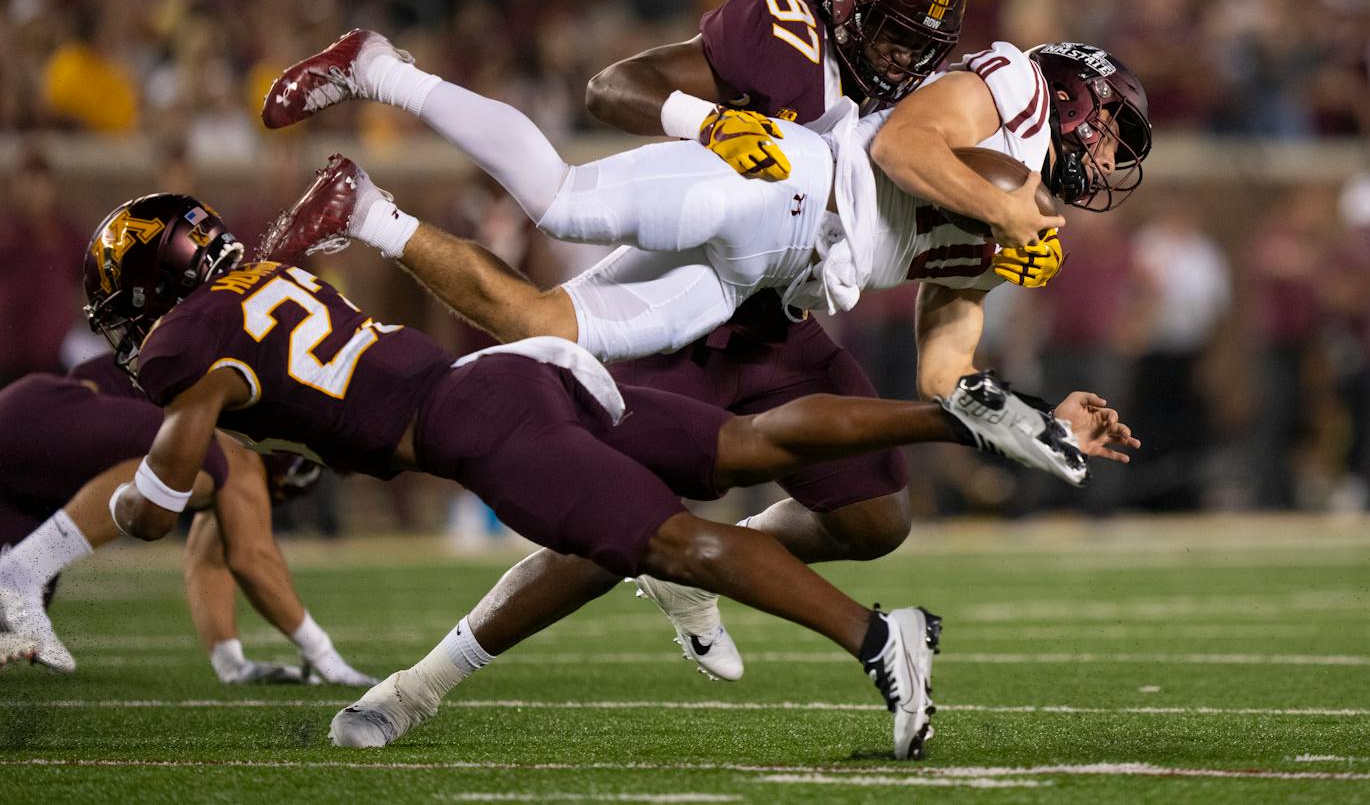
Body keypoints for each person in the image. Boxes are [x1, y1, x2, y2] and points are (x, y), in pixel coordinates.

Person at [88, 193, 1134, 758]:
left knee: (675, 539)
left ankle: (877, 635)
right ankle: (967, 420)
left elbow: (189, 430)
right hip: (518, 375)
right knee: (747, 448)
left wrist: (149, 498)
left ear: (152, 291)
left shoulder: (186, 346)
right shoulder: (271, 277)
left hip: (472, 420)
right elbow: (306, 396)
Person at [258, 19, 1149, 675]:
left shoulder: (1026, 229)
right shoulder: (1015, 89)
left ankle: (362, 209)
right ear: (1072, 97)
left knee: (540, 326)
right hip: (785, 189)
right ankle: (380, 68)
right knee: (561, 200)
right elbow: (909, 145)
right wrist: (1001, 209)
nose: (1109, 162)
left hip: (771, 276)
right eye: (1110, 133)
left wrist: (1028, 420)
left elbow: (942, 363)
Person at [0, 354, 372, 686]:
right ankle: (24, 570)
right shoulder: (232, 441)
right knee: (202, 457)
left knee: (9, 619)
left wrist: (232, 664)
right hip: (43, 417)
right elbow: (252, 558)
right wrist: (324, 654)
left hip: (29, 463)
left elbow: (209, 558)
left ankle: (21, 571)